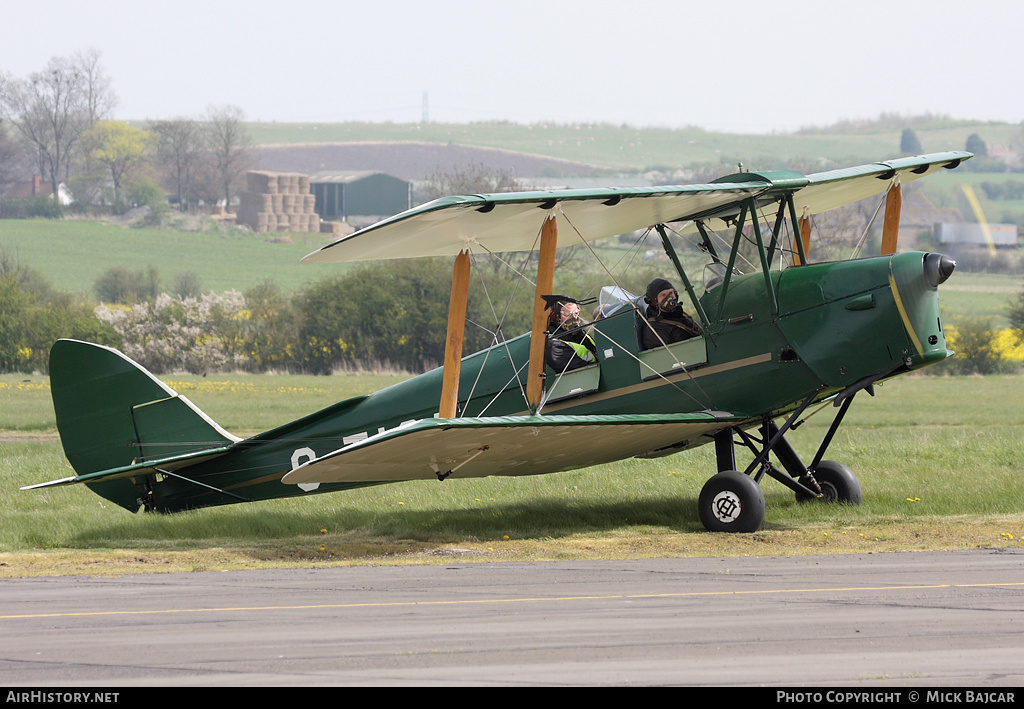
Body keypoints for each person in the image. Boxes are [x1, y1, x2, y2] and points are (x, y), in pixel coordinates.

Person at [640, 277, 702, 350]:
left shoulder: (680, 314)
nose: (669, 298)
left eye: (671, 293)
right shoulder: (654, 330)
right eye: (663, 295)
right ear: (652, 301)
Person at [543, 295, 597, 373]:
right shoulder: (553, 345)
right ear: (556, 317)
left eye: (576, 313)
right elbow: (584, 370)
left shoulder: (580, 334)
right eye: (567, 315)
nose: (574, 317)